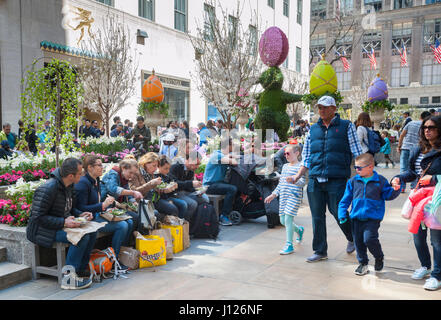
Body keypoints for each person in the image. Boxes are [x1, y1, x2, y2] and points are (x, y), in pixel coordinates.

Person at [288, 95, 363, 263]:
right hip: (314, 180)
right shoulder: (313, 130)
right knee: (317, 217)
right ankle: (320, 251)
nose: (321, 110)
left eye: (325, 107)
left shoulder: (346, 126)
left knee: (339, 213)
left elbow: (357, 152)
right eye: (319, 107)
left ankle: (354, 238)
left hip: (337, 179)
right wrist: (297, 175)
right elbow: (307, 157)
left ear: (334, 109)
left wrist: (363, 176)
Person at [26, 158, 95, 289]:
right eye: (80, 173)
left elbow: (69, 208)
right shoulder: (48, 188)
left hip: (57, 225)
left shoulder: (69, 185)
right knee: (81, 237)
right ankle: (68, 279)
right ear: (71, 176)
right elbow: (38, 217)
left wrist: (81, 214)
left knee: (91, 232)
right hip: (41, 230)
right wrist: (64, 222)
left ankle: (79, 270)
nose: (82, 175)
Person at [392, 115, 441, 291]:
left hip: (436, 199)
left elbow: (430, 177)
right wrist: (398, 177)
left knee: (436, 240)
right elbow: (412, 173)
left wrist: (434, 178)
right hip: (419, 197)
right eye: (425, 127)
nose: (427, 130)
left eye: (432, 127)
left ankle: (437, 275)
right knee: (418, 236)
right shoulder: (417, 149)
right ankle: (426, 266)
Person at [338, 153, 401, 276]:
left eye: (359, 168)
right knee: (359, 242)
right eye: (355, 167)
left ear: (370, 167)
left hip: (372, 218)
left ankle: (379, 257)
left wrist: (395, 189)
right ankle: (363, 263)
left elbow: (388, 195)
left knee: (369, 239)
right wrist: (342, 213)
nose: (357, 170)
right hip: (355, 217)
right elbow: (345, 199)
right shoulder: (353, 181)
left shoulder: (380, 181)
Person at [74, 155, 133, 260]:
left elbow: (97, 203)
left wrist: (106, 208)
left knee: (129, 221)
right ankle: (113, 259)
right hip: (88, 219)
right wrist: (103, 205)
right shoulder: (83, 183)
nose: (102, 167)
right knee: (122, 225)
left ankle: (121, 255)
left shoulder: (95, 180)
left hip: (97, 215)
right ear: (90, 168)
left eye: (102, 165)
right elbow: (81, 207)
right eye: (99, 165)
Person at [265, 144, 306, 255]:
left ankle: (289, 245)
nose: (286, 155)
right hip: (283, 197)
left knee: (288, 219)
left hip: (294, 196)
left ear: (297, 153)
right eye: (285, 154)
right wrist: (273, 195)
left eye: (288, 153)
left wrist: (294, 180)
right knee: (283, 221)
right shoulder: (285, 166)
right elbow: (281, 183)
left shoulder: (301, 167)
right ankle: (299, 230)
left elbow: (302, 182)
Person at [129, 152, 180, 218]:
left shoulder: (150, 172)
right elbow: (134, 191)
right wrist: (151, 183)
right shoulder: (136, 173)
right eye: (154, 165)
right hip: (142, 201)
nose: (156, 168)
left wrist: (165, 190)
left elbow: (154, 189)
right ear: (146, 163)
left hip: (153, 199)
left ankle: (173, 226)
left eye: (157, 166)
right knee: (156, 214)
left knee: (173, 209)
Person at [203, 136, 239, 226]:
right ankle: (223, 216)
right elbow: (234, 162)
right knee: (232, 189)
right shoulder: (217, 155)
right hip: (210, 185)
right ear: (228, 146)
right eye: (233, 144)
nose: (234, 146)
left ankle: (231, 211)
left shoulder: (222, 155)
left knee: (236, 185)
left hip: (218, 183)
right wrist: (233, 156)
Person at [100, 158, 143, 231]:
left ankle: (133, 240)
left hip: (116, 206)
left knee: (139, 214)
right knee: (134, 218)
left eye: (134, 173)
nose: (132, 176)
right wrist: (133, 192)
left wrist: (133, 201)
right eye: (130, 172)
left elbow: (127, 191)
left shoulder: (124, 177)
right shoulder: (113, 173)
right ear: (123, 168)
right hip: (105, 206)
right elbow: (113, 189)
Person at [398, 111, 431, 192]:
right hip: (417, 149)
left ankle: (402, 187)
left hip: (406, 147)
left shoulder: (411, 123)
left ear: (420, 116)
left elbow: (402, 134)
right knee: (415, 168)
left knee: (403, 167)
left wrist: (399, 146)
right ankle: (413, 187)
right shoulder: (426, 126)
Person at [155, 156, 191, 221]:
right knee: (173, 208)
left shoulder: (168, 175)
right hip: (160, 198)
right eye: (165, 168)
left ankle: (180, 221)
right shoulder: (156, 176)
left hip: (169, 197)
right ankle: (175, 223)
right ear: (159, 167)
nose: (168, 171)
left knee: (183, 204)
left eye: (169, 168)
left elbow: (174, 182)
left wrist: (173, 186)